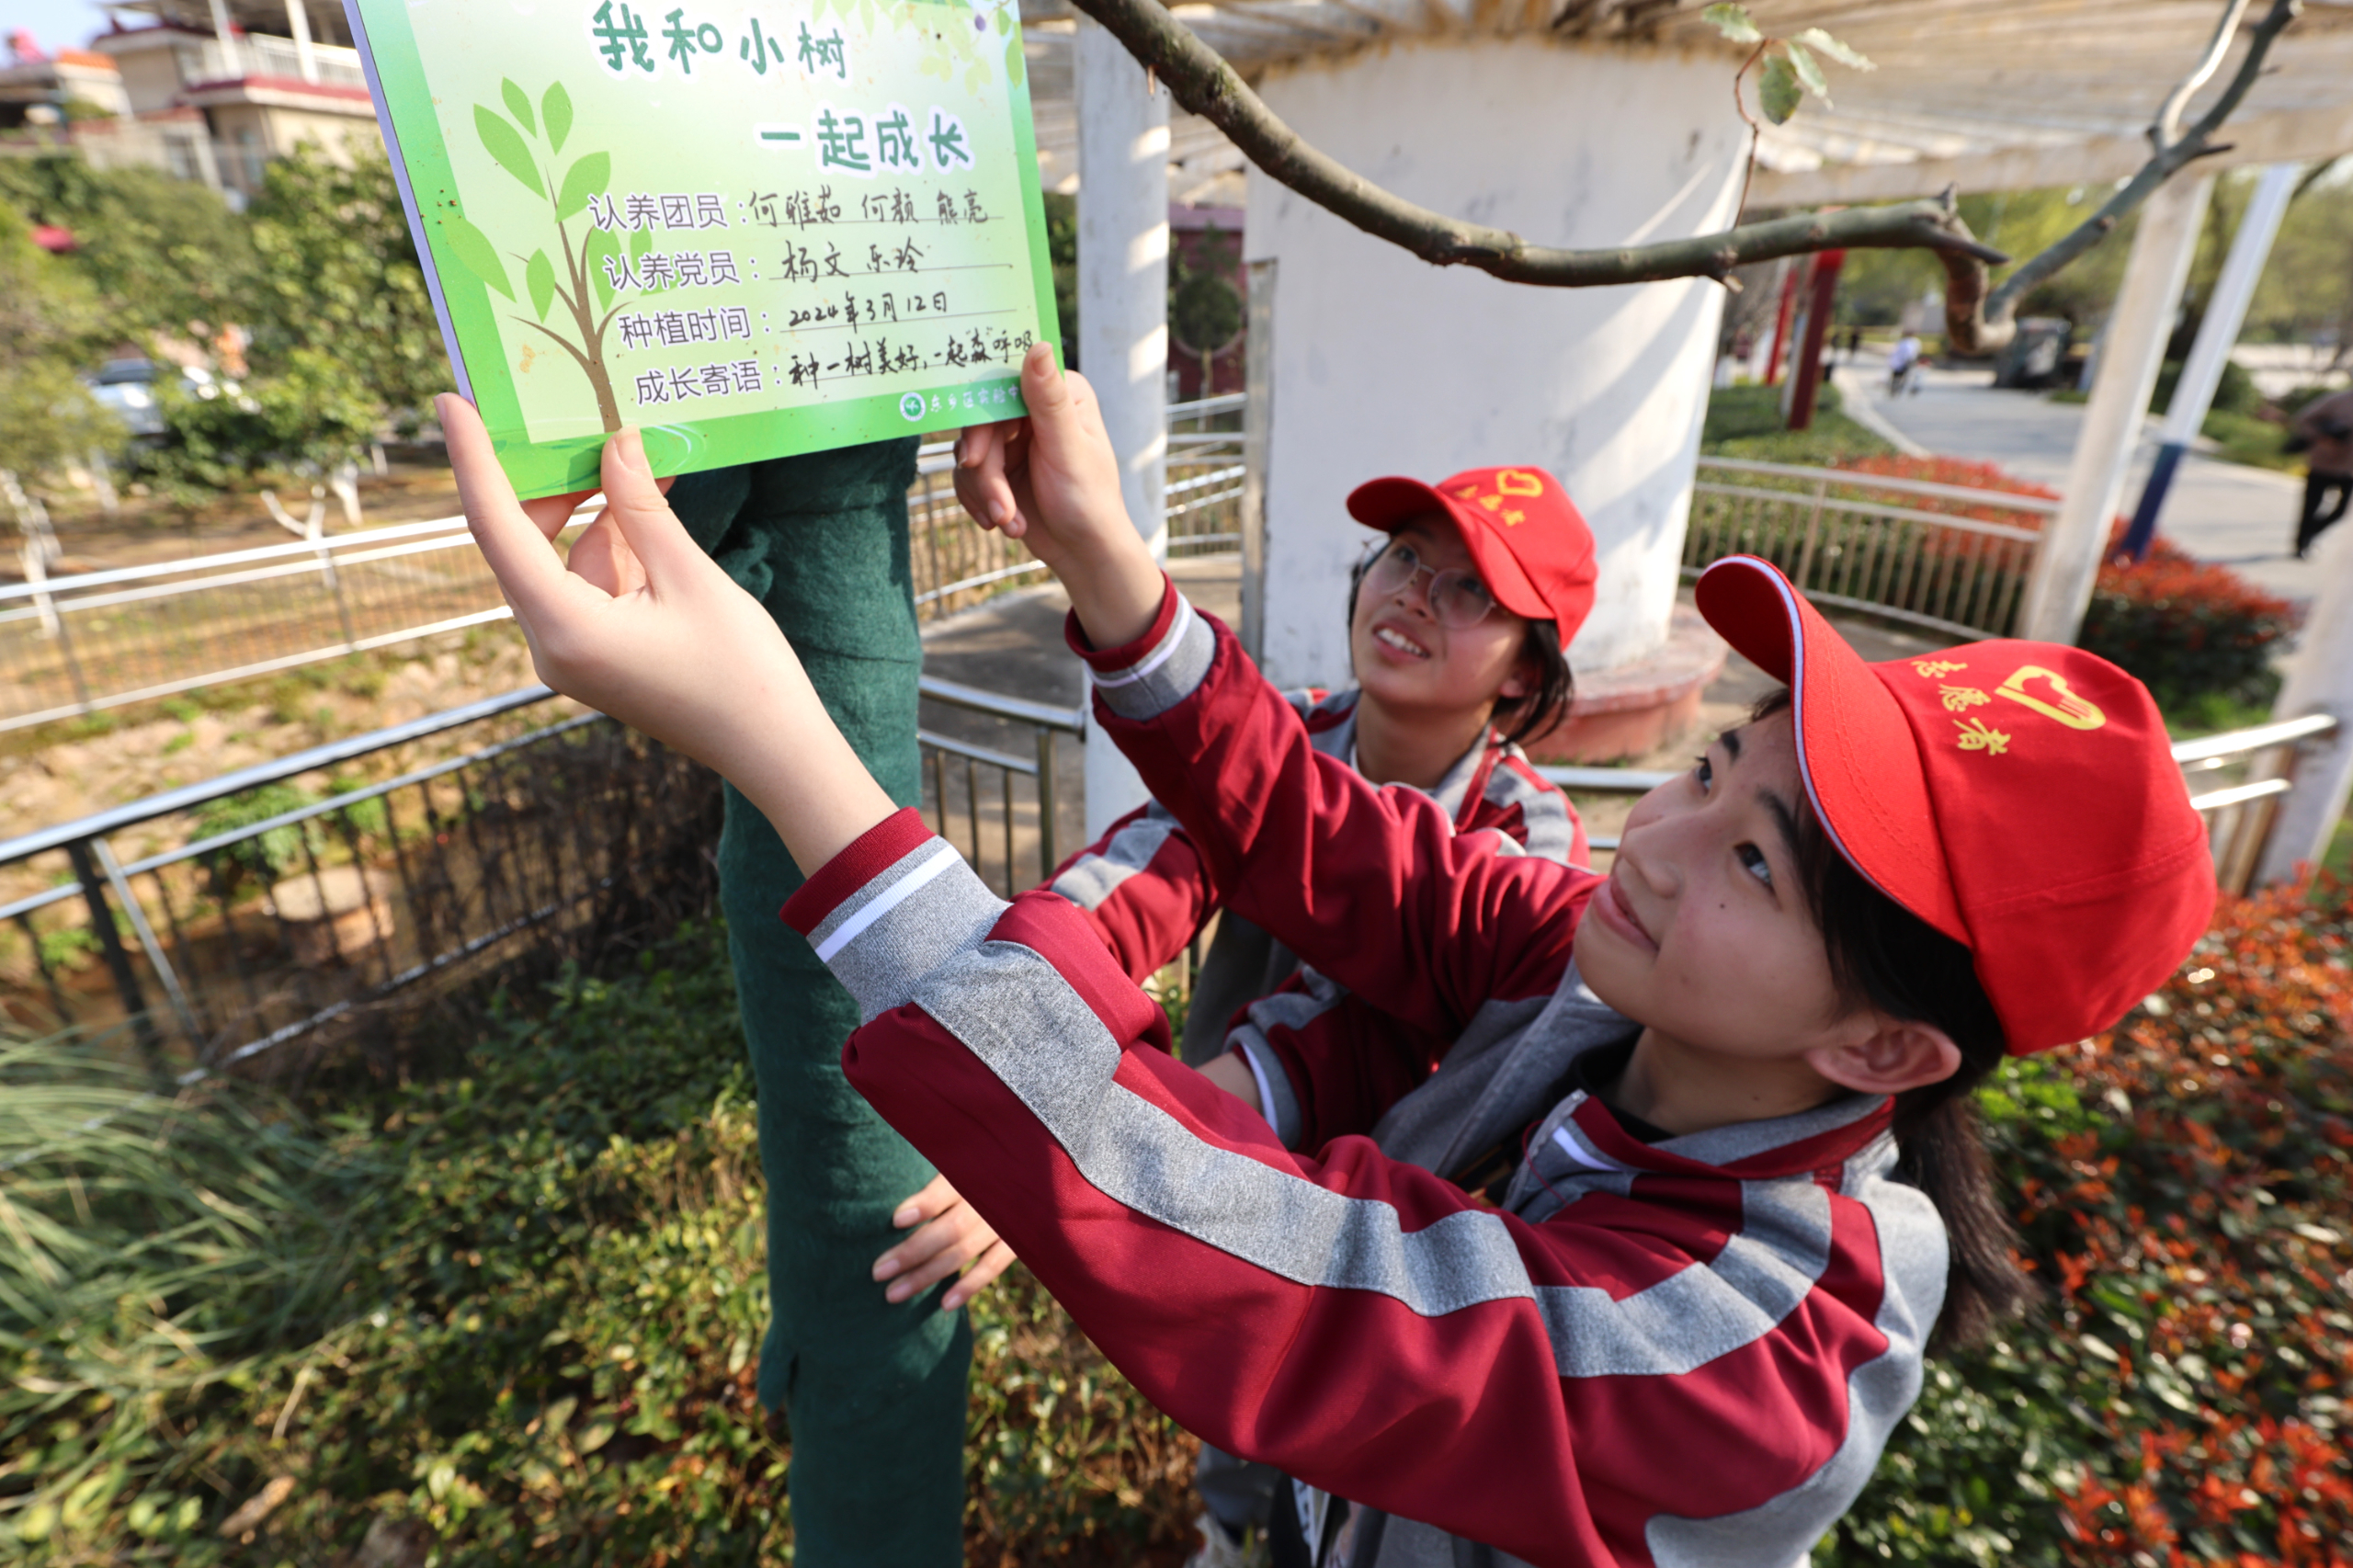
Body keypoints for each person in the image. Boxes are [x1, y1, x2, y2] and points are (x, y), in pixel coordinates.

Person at [437, 343, 2215, 1568]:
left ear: (1894, 1052)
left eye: (1754, 856)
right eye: (1708, 770)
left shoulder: (1746, 1348)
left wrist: (789, 746)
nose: (1658, 843)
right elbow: (1303, 831)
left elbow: (1305, 1277)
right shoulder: (1601, 978)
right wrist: (1113, 565)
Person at [1045, 467, 1596, 1563]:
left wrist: (1062, 1113)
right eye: (1402, 557)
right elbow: (1129, 878)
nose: (1410, 596)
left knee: (1320, 1424)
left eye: (1469, 591)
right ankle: (1223, 1530)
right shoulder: (1281, 736)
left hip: (1366, 1218)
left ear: (1529, 669)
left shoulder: (1526, 847)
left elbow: (1354, 1030)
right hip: (1197, 1145)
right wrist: (1024, 1012)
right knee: (1220, 1407)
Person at [2290, 386, 2353, 558]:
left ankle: (2308, 534)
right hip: (2323, 463)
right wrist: (2323, 438)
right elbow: (2304, 418)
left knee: (2340, 511)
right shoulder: (2338, 399)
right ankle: (2300, 545)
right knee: (2311, 506)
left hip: (2348, 469)